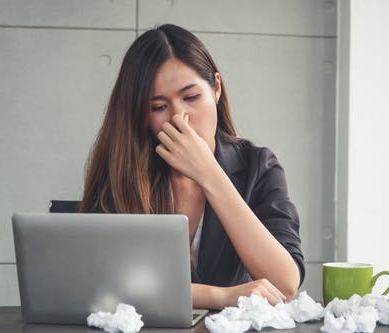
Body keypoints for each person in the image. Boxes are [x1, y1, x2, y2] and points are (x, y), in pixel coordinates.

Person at [79, 24, 304, 310]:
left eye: (191, 98)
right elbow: (106, 284)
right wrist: (221, 296)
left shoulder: (258, 166)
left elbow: (284, 284)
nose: (179, 119)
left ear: (216, 88)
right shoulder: (123, 171)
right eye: (159, 107)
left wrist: (209, 173)